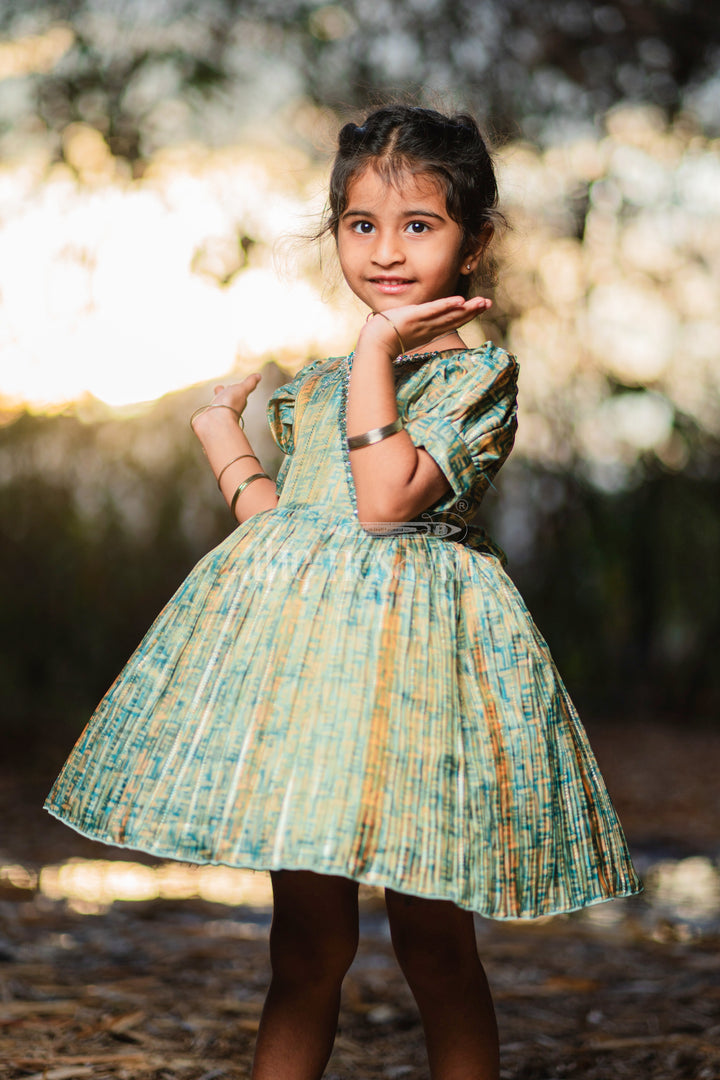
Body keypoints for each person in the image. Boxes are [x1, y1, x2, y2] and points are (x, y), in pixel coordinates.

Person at [45, 104, 642, 1080]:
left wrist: (375, 353)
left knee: (435, 950)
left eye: (420, 224)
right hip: (314, 695)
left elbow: (382, 504)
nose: (387, 250)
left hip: (420, 688)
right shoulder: (319, 386)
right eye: (362, 224)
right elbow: (288, 526)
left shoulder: (475, 376)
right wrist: (222, 436)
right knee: (306, 950)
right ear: (333, 234)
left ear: (475, 241)